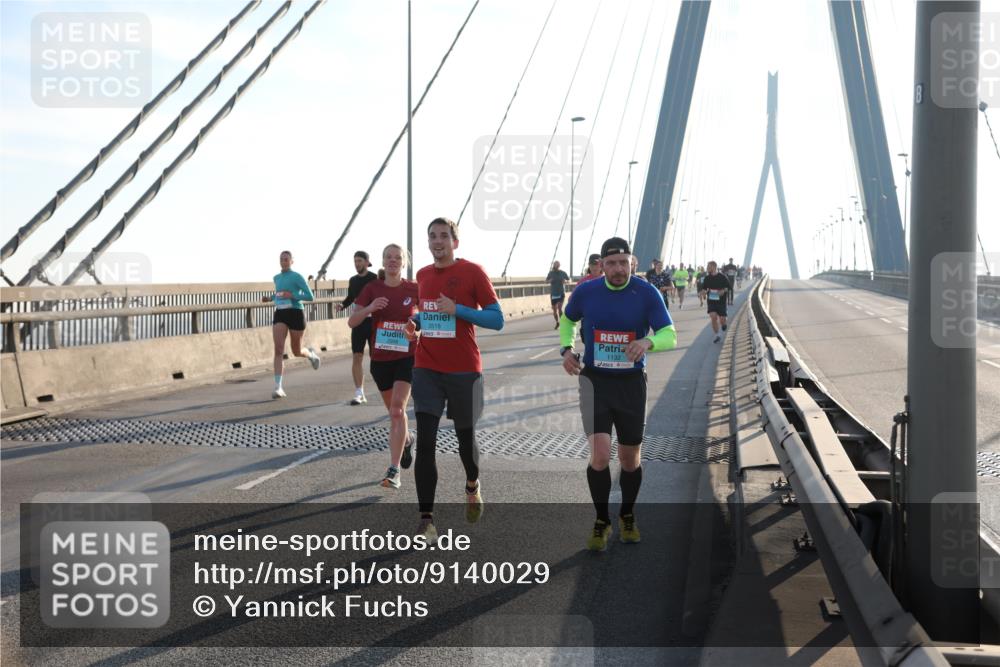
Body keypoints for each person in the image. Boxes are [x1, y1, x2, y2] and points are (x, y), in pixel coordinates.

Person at [560, 237, 677, 551]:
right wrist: (566, 349)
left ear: (632, 263)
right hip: (595, 382)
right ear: (602, 266)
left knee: (629, 459)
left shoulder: (647, 292)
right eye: (611, 263)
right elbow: (568, 321)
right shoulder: (587, 291)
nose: (617, 269)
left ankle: (626, 514)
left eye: (623, 262)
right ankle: (601, 520)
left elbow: (670, 333)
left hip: (630, 384)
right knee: (599, 456)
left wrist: (648, 343)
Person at [403, 218, 504, 544]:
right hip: (427, 367)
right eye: (432, 236)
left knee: (465, 439)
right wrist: (415, 324)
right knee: (427, 443)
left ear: (455, 242)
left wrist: (459, 309)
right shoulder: (422, 275)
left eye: (443, 236)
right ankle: (426, 521)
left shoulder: (473, 272)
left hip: (463, 369)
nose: (437, 241)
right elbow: (427, 312)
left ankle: (472, 486)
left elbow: (497, 319)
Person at [349, 244, 419, 489]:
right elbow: (352, 321)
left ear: (404, 262)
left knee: (398, 411)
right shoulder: (372, 288)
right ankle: (408, 439)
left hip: (406, 357)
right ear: (382, 261)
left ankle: (394, 470)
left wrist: (416, 331)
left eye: (397, 257)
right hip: (380, 360)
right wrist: (369, 308)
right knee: (394, 413)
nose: (392, 261)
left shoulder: (414, 288)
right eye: (388, 257)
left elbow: (428, 316)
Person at [262, 250, 321, 398]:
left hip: (296, 313)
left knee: (296, 351)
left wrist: (293, 295)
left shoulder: (297, 276)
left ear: (292, 261)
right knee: (278, 350)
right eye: (281, 259)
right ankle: (278, 387)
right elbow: (279, 294)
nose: (284, 261)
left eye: (286, 259)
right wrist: (269, 298)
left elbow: (310, 296)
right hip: (281, 313)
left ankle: (311, 355)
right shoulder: (276, 277)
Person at [338, 251, 379, 405]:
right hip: (358, 322)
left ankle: (385, 387)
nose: (357, 264)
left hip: (373, 322)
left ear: (367, 262)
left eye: (360, 261)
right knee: (357, 356)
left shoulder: (374, 278)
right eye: (355, 261)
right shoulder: (353, 280)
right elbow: (350, 298)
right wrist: (342, 305)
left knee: (376, 357)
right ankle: (359, 392)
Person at [701, 260, 730, 343]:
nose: (707, 268)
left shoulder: (722, 277)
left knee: (722, 319)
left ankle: (724, 323)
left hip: (721, 301)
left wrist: (723, 291)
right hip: (711, 300)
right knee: (713, 317)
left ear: (713, 267)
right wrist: (703, 293)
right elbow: (704, 288)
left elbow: (728, 287)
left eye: (708, 267)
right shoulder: (707, 278)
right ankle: (717, 335)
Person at [546, 261, 570, 329]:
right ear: (553, 265)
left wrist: (566, 281)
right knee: (554, 311)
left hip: (561, 293)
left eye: (557, 265)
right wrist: (549, 281)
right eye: (555, 265)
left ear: (559, 266)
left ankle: (563, 322)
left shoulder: (562, 273)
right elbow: (546, 281)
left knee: (559, 308)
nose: (556, 266)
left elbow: (569, 280)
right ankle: (557, 322)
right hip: (553, 294)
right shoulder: (551, 273)